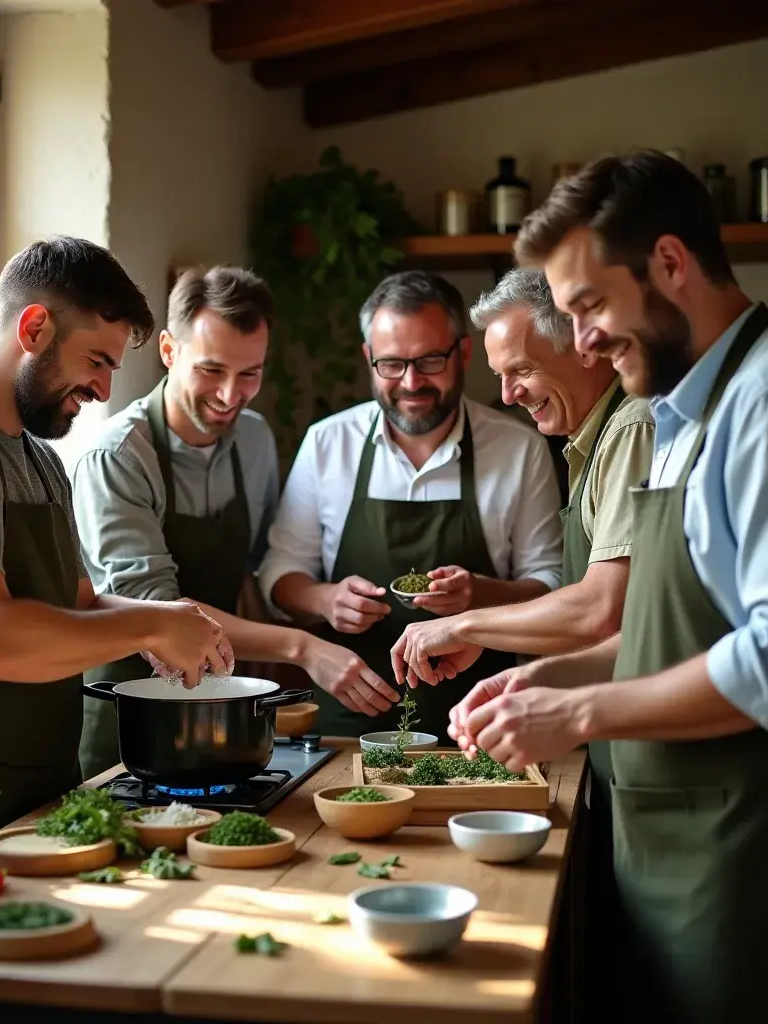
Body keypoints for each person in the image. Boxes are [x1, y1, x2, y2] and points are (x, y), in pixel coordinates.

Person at [449, 151, 768, 1023]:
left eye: (589, 307)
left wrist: (580, 714)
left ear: (669, 264)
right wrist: (551, 678)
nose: (580, 339)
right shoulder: (686, 414)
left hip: (754, 863)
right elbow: (679, 632)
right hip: (677, 848)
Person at [0, 237, 231, 845]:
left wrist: (167, 616)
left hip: (43, 790)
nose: (105, 390)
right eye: (97, 361)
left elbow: (78, 605)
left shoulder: (42, 460)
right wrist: (149, 629)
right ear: (33, 327)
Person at [73, 266, 395, 779]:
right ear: (168, 351)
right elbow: (158, 611)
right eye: (211, 370)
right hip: (131, 715)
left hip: (220, 705)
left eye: (250, 374)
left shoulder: (255, 439)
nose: (230, 395)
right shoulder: (116, 456)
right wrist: (302, 649)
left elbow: (251, 573)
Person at [258, 270, 563, 740]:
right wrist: (326, 599)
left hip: (481, 725)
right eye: (392, 364)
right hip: (346, 729)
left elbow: (553, 586)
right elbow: (279, 574)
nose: (411, 382)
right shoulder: (327, 444)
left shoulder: (517, 448)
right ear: (368, 358)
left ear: (463, 353)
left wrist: (480, 593)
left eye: (430, 361)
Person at [390, 267, 653, 685]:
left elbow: (602, 609)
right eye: (501, 376)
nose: (509, 395)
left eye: (522, 370)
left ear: (584, 347)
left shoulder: (631, 428)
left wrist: (464, 625)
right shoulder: (591, 436)